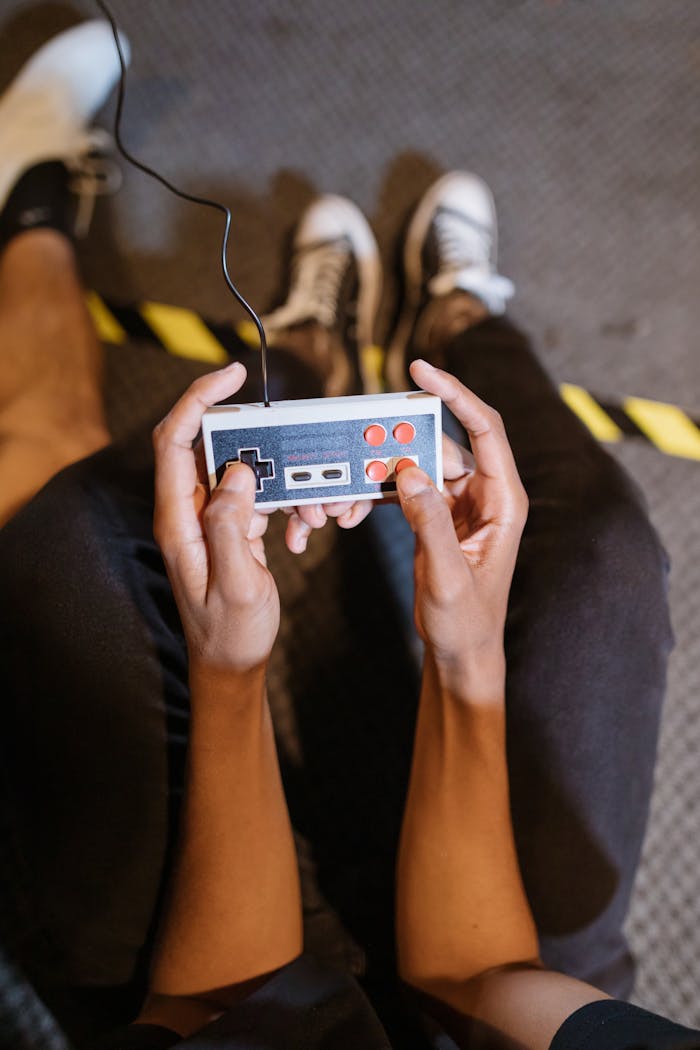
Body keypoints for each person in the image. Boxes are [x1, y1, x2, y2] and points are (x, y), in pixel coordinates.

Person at [0, 18, 681, 1050]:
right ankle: (453, 326)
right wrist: (464, 664)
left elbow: (214, 1006)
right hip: (507, 992)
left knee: (62, 546)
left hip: (210, 999)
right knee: (606, 564)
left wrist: (228, 671)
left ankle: (261, 328)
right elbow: (477, 975)